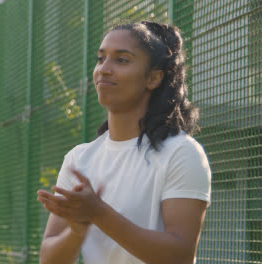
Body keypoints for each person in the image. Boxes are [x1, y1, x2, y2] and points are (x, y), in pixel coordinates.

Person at [36, 21, 212, 264]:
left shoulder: (182, 153)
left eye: (122, 60)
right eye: (100, 59)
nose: (104, 70)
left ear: (153, 78)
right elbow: (49, 260)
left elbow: (180, 256)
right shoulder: (79, 159)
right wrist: (76, 231)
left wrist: (98, 213)